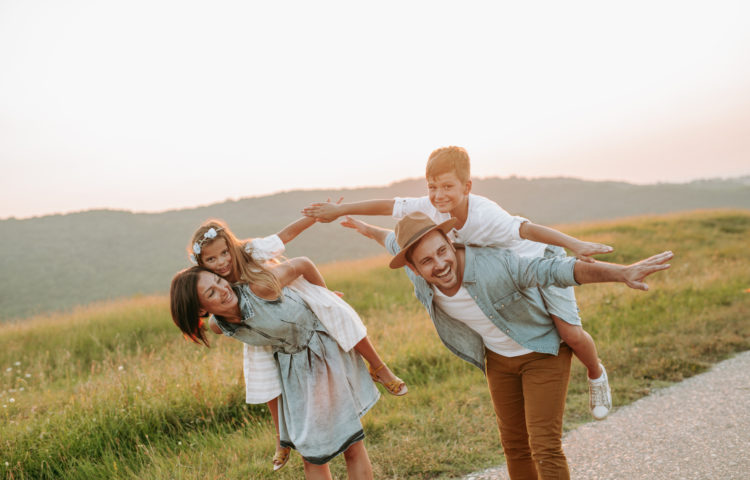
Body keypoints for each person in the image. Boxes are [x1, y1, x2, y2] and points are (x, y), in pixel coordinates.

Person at [339, 212, 672, 480]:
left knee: (544, 446)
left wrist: (621, 272)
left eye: (442, 251)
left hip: (543, 351)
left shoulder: (496, 267)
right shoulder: (418, 275)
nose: (439, 264)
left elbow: (556, 270)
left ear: (450, 241)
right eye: (426, 261)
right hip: (498, 360)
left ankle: (596, 374)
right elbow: (388, 239)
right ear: (413, 268)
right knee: (514, 445)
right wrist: (363, 226)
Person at [302, 146, 615, 419]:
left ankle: (596, 374)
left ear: (467, 186)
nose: (438, 195)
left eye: (447, 186)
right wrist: (345, 212)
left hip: (539, 259)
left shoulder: (486, 215)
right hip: (504, 275)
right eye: (432, 187)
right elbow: (388, 208)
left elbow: (530, 230)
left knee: (569, 332)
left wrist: (576, 244)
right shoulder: (430, 207)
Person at [187, 217, 406, 471]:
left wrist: (324, 293)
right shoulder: (219, 292)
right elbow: (208, 309)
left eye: (224, 253)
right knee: (261, 374)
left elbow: (286, 238)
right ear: (202, 265)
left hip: (289, 302)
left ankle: (379, 366)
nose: (221, 262)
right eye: (211, 260)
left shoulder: (250, 252)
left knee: (339, 315)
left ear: (231, 246)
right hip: (263, 329)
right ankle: (281, 437)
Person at [170, 257, 380, 480]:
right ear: (201, 308)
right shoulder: (219, 326)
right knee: (310, 453)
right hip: (295, 376)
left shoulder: (258, 289)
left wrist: (325, 298)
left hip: (324, 356)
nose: (222, 290)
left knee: (351, 444)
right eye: (211, 293)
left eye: (218, 281)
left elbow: (302, 264)